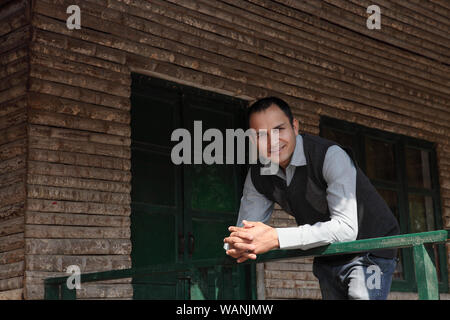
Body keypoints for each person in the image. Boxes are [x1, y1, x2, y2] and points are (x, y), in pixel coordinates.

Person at [223, 97, 400, 300]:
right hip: (327, 253)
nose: (273, 142)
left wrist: (276, 238)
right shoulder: (258, 174)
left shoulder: (330, 155)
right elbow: (246, 231)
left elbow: (346, 229)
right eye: (262, 135)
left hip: (371, 250)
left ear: (295, 127)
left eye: (279, 129)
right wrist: (238, 244)